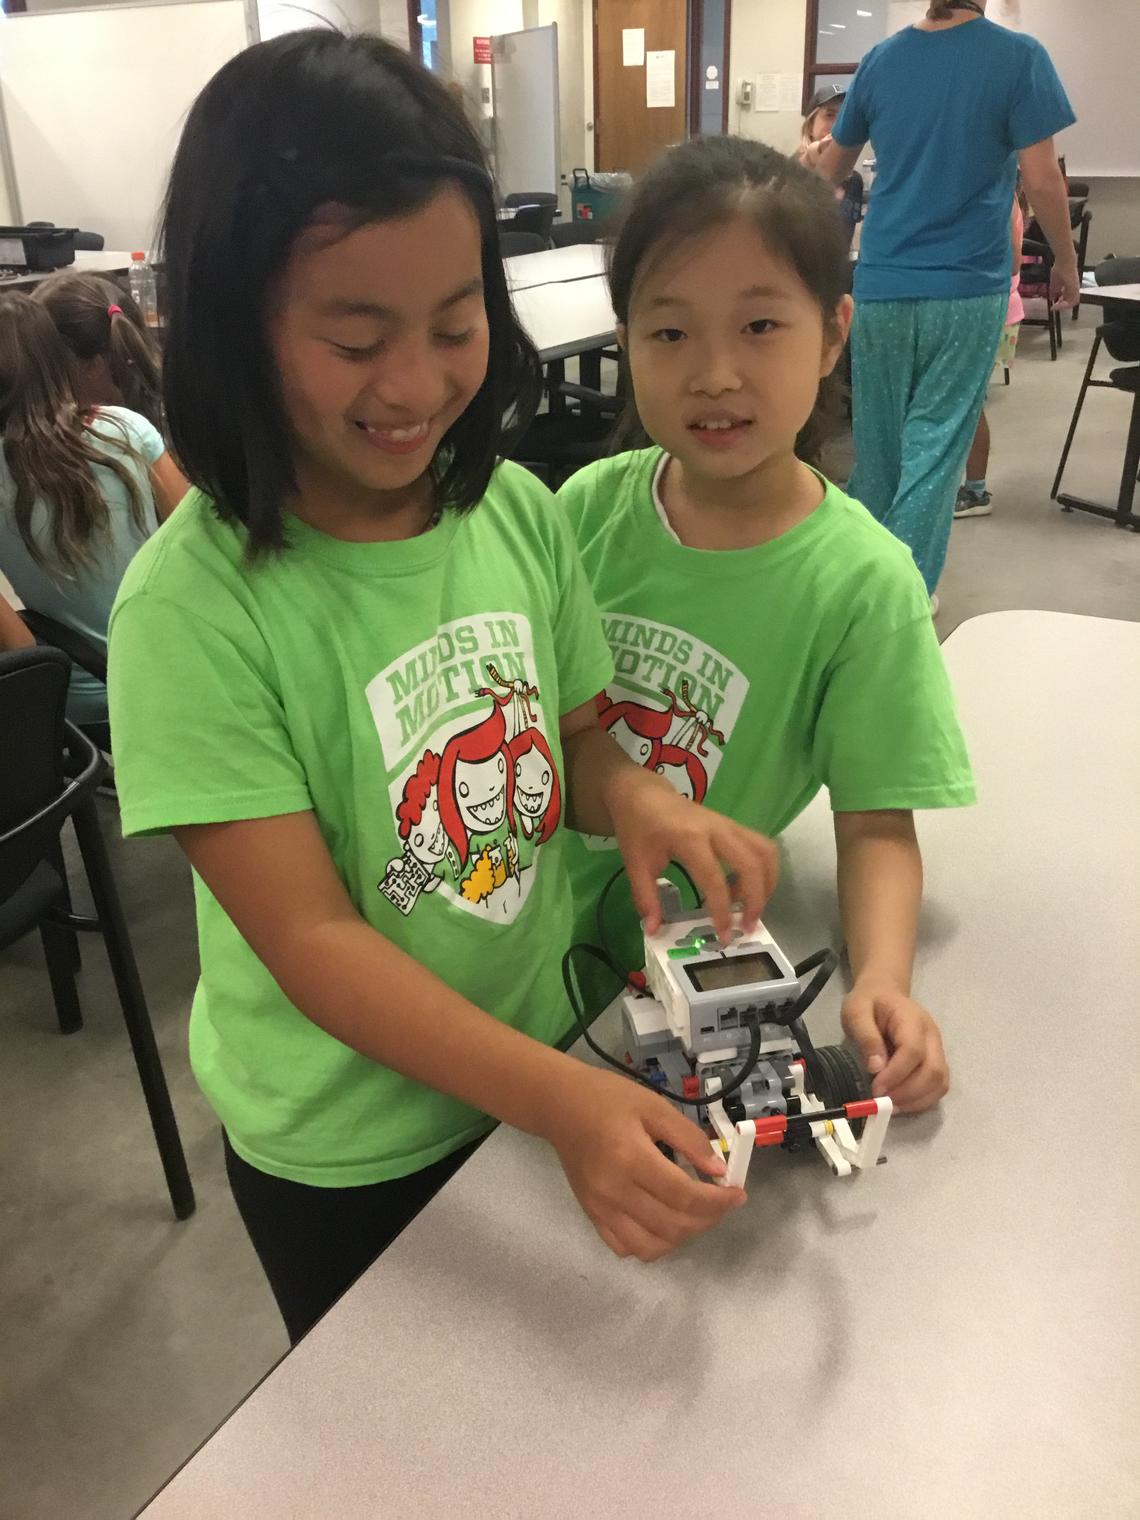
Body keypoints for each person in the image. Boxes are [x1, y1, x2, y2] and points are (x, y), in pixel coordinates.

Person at [107, 31, 779, 1343]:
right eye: (356, 340)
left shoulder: (514, 515)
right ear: (241, 322)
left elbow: (577, 741)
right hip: (345, 1151)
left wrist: (637, 801)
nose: (415, 385)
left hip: (531, 1070)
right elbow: (313, 944)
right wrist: (560, 1100)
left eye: (456, 324)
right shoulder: (192, 609)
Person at [559, 137, 976, 1117]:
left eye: (758, 325)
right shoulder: (580, 510)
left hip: (688, 976)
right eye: (669, 334)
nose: (715, 374)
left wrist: (881, 979)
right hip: (526, 948)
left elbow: (877, 820)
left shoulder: (863, 581)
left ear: (833, 335)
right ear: (625, 338)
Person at [802, 0, 1078, 602]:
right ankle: (900, 599)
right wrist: (1065, 258)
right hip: (966, 284)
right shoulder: (1019, 58)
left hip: (883, 283)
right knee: (934, 446)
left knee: (877, 449)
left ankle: (856, 588)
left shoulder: (881, 59)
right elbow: (1040, 177)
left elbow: (832, 170)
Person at [0, 294, 186, 747]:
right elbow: (200, 540)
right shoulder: (126, 429)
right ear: (56, 360)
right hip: (180, 675)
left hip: (84, 704)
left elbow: (20, 646)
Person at [956, 187, 1026, 518]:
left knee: (968, 404)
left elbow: (1012, 261)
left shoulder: (998, 196)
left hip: (992, 310)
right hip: (984, 308)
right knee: (965, 402)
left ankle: (976, 491)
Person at [34, 272, 166, 435]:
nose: (34, 380)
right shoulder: (162, 406)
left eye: (44, 365)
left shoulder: (110, 439)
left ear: (93, 366)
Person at [795, 84, 863, 248]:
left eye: (843, 117)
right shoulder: (790, 170)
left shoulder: (854, 181)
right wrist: (813, 155)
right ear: (811, 124)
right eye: (829, 115)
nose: (837, 124)